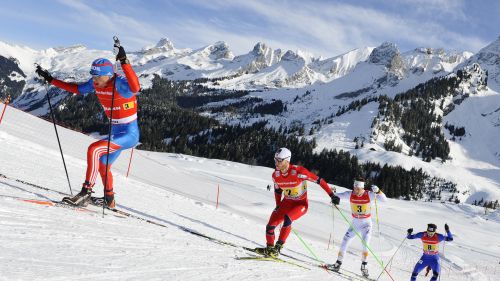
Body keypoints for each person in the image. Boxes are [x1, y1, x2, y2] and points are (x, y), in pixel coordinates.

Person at [35, 41, 140, 208]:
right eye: (93, 76)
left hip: (129, 134)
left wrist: (124, 60)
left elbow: (135, 87)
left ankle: (85, 193)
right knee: (103, 165)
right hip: (116, 132)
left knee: (94, 149)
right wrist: (51, 80)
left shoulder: (120, 84)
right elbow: (76, 89)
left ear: (109, 75)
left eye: (98, 77)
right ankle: (109, 200)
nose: (95, 80)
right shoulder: (95, 83)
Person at [254, 147, 340, 258]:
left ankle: (277, 248)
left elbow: (319, 180)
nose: (277, 163)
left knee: (287, 219)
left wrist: (332, 195)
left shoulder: (299, 172)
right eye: (275, 160)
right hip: (286, 203)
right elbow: (278, 190)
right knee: (270, 226)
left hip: (301, 204)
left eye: (279, 160)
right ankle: (270, 249)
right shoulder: (275, 175)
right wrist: (278, 205)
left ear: (287, 160)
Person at [327, 178, 387, 277]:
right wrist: (333, 195)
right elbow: (336, 196)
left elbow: (384, 199)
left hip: (366, 224)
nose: (355, 190)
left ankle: (364, 267)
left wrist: (378, 191)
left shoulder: (369, 194)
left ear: (362, 188)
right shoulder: (350, 194)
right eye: (354, 187)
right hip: (355, 223)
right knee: (345, 241)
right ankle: (338, 264)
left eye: (357, 188)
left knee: (365, 245)